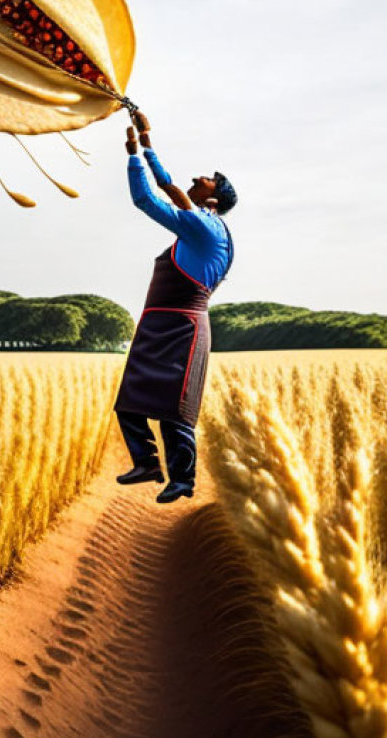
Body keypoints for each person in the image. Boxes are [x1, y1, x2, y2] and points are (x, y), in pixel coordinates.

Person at [113, 111, 236, 503]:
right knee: (130, 402)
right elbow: (145, 198)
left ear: (213, 199)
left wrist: (142, 149)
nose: (198, 177)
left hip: (183, 328)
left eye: (206, 179)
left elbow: (164, 189)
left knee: (174, 410)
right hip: (158, 325)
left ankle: (183, 480)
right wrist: (139, 151)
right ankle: (147, 463)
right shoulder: (194, 226)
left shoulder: (208, 229)